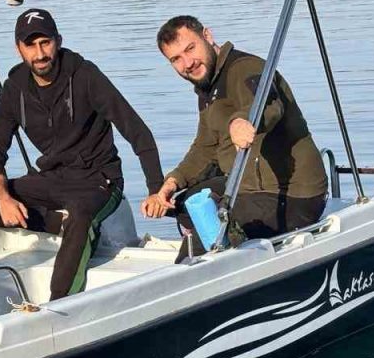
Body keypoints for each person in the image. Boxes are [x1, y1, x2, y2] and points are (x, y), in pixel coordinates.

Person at [0, 8, 164, 302]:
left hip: (99, 180)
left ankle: (59, 303)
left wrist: (155, 189)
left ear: (58, 40)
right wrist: (4, 199)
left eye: (46, 42)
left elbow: (137, 131)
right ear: (19, 49)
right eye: (31, 45)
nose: (40, 53)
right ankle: (57, 224)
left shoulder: (85, 75)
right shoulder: (14, 89)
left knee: (81, 214)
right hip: (53, 179)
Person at [141, 15, 328, 259]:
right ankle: (225, 251)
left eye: (190, 48)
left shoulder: (245, 68)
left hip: (290, 195)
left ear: (207, 36)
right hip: (247, 186)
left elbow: (268, 103)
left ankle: (194, 273)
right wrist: (171, 183)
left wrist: (243, 121)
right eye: (176, 59)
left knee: (208, 231)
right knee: (182, 204)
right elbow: (205, 149)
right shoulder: (208, 86)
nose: (187, 63)